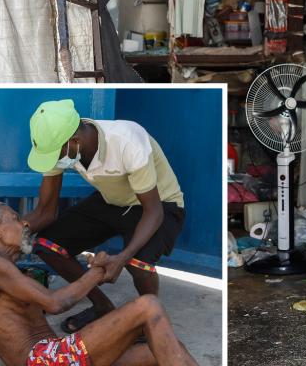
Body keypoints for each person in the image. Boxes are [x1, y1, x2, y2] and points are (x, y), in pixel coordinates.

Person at [0, 202, 221, 366]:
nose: (24, 222)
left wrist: (109, 355)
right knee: (148, 306)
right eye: (14, 218)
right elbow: (56, 303)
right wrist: (99, 270)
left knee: (172, 348)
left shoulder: (5, 271)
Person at [22, 99, 186, 334]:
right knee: (47, 245)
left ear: (74, 141)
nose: (53, 162)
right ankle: (102, 306)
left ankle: (151, 320)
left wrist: (121, 258)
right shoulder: (61, 147)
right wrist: (11, 232)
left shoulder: (127, 140)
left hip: (159, 204)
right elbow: (45, 212)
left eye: (54, 155)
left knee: (138, 263)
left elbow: (154, 212)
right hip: (113, 201)